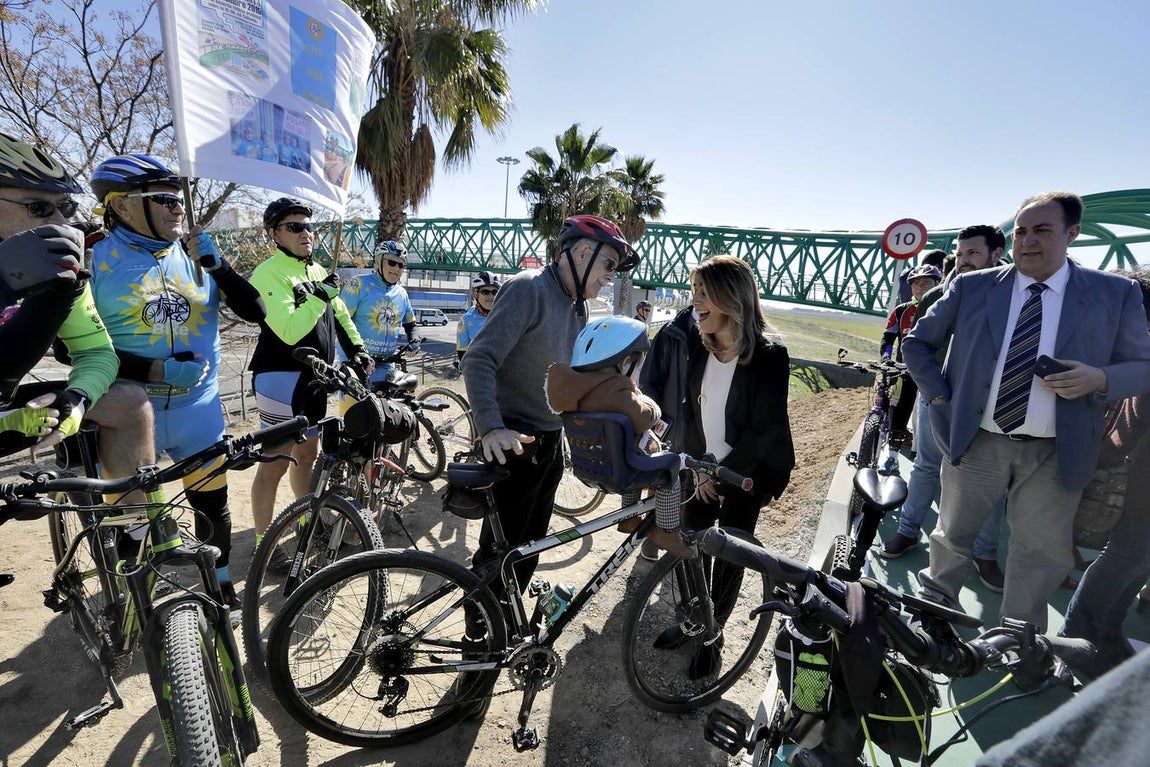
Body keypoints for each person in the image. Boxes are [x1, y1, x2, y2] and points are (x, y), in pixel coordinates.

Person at [903, 192, 1150, 631]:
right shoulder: (971, 286)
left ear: (1072, 234)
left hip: (1057, 451)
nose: (1027, 241)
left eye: (1041, 230)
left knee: (1039, 553)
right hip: (976, 441)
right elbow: (917, 345)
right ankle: (931, 619)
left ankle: (1018, 640)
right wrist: (941, 396)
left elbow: (1143, 366)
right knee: (950, 538)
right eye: (1020, 231)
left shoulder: (1115, 293)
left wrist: (1101, 379)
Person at [88, 153, 266, 611]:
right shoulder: (93, 258)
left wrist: (222, 269)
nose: (178, 208)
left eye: (178, 199)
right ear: (122, 206)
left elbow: (257, 314)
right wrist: (152, 370)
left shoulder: (197, 255)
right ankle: (133, 595)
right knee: (132, 522)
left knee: (213, 508)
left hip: (198, 411)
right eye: (163, 199)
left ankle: (220, 579)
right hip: (129, 416)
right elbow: (70, 350)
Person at [462, 214, 638, 598]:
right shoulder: (529, 290)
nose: (610, 276)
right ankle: (480, 638)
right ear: (582, 252)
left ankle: (508, 630)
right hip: (514, 441)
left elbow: (572, 379)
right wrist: (490, 426)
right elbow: (478, 359)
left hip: (548, 442)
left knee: (530, 546)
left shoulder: (579, 306)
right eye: (608, 265)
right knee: (500, 554)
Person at [663, 254, 795, 678]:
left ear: (730, 297)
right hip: (705, 470)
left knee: (729, 556)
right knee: (692, 546)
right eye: (694, 292)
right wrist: (701, 468)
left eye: (703, 293)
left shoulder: (770, 355)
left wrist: (721, 474)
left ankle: (712, 637)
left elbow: (766, 429)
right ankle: (693, 623)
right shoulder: (701, 346)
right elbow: (691, 410)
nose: (695, 302)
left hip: (746, 472)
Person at [881, 225, 1009, 593]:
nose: (964, 260)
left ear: (996, 254)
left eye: (974, 253)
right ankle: (907, 532)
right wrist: (935, 393)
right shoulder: (938, 294)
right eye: (961, 253)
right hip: (938, 398)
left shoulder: (1014, 298)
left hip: (988, 405)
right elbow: (918, 345)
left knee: (992, 484)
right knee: (925, 467)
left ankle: (985, 555)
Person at [247, 197, 371, 561]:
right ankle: (262, 543)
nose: (306, 233)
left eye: (308, 226)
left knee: (306, 455)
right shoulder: (267, 274)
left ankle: (303, 521)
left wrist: (359, 347)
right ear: (275, 234)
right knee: (276, 461)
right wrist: (320, 296)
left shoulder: (317, 270)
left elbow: (341, 315)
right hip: (280, 378)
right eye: (294, 227)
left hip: (315, 381)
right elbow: (287, 330)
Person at [0, 132, 117, 455]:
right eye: (38, 207)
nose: (62, 221)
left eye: (66, 206)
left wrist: (79, 397)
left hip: (7, 406)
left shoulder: (53, 263)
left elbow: (97, 353)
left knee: (130, 402)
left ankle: (119, 506)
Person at [1060, 268, 1150, 672]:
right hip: (1142, 478)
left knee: (1138, 559)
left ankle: (1106, 631)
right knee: (1128, 556)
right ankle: (1078, 636)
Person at [636, 304, 697, 560]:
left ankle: (676, 550)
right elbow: (649, 381)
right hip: (669, 424)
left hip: (698, 430)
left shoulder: (721, 330)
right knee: (661, 479)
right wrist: (654, 422)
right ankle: (651, 540)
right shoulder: (671, 332)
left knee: (690, 487)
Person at [880, 264, 941, 449]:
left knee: (931, 415)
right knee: (900, 407)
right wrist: (886, 357)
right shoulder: (901, 311)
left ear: (938, 283)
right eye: (916, 284)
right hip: (905, 369)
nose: (921, 287)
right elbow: (888, 338)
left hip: (935, 372)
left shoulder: (946, 308)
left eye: (926, 283)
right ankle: (893, 452)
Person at [342, 240, 420, 384]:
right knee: (358, 405)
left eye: (401, 265)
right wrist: (354, 353)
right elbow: (340, 322)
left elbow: (411, 325)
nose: (396, 268)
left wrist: (414, 341)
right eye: (391, 262)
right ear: (377, 262)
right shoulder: (358, 284)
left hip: (386, 362)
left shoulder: (402, 294)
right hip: (357, 360)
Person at [456, 270, 500, 361]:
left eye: (494, 292)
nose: (491, 296)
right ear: (476, 294)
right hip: (480, 369)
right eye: (485, 292)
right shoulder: (466, 320)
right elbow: (462, 351)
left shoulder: (507, 315)